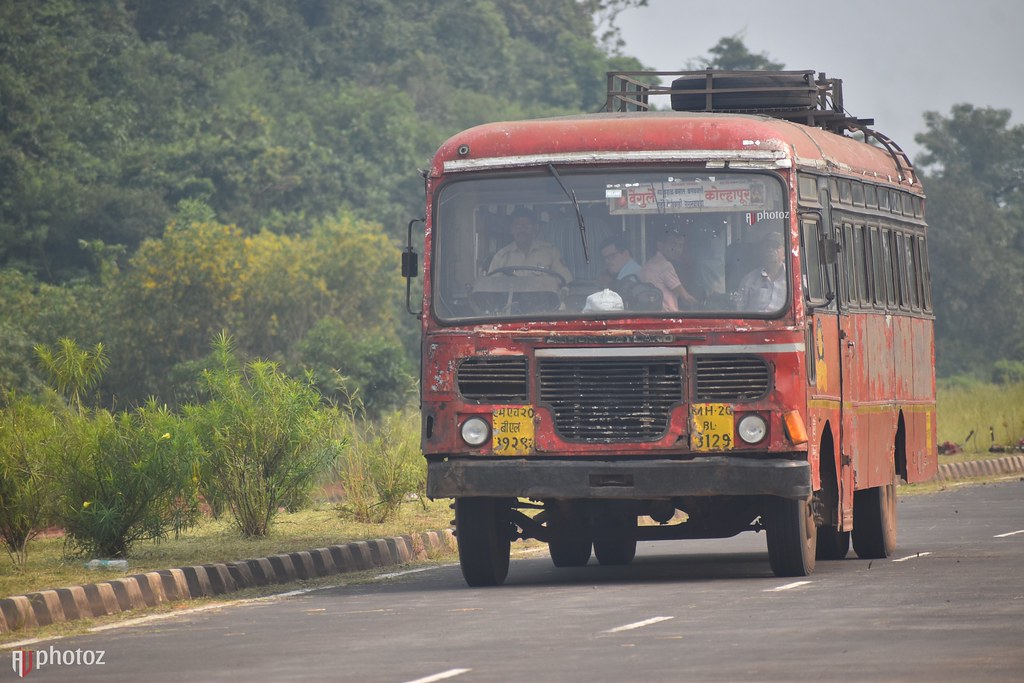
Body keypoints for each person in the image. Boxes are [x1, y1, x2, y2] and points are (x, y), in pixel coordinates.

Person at [486, 207, 572, 285]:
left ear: (535, 228)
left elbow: (565, 280)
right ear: (511, 229)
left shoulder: (551, 252)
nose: (521, 230)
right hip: (509, 301)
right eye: (517, 226)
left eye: (526, 226)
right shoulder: (501, 257)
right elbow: (491, 285)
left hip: (544, 301)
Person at [638, 228, 699, 312]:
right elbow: (686, 297)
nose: (677, 249)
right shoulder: (665, 266)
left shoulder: (647, 265)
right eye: (673, 244)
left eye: (680, 245)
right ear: (660, 245)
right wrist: (701, 305)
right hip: (668, 316)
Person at [736, 232, 787, 312]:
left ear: (785, 254)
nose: (770, 250)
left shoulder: (796, 281)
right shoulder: (748, 280)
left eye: (775, 247)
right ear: (761, 252)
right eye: (767, 247)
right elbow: (739, 310)